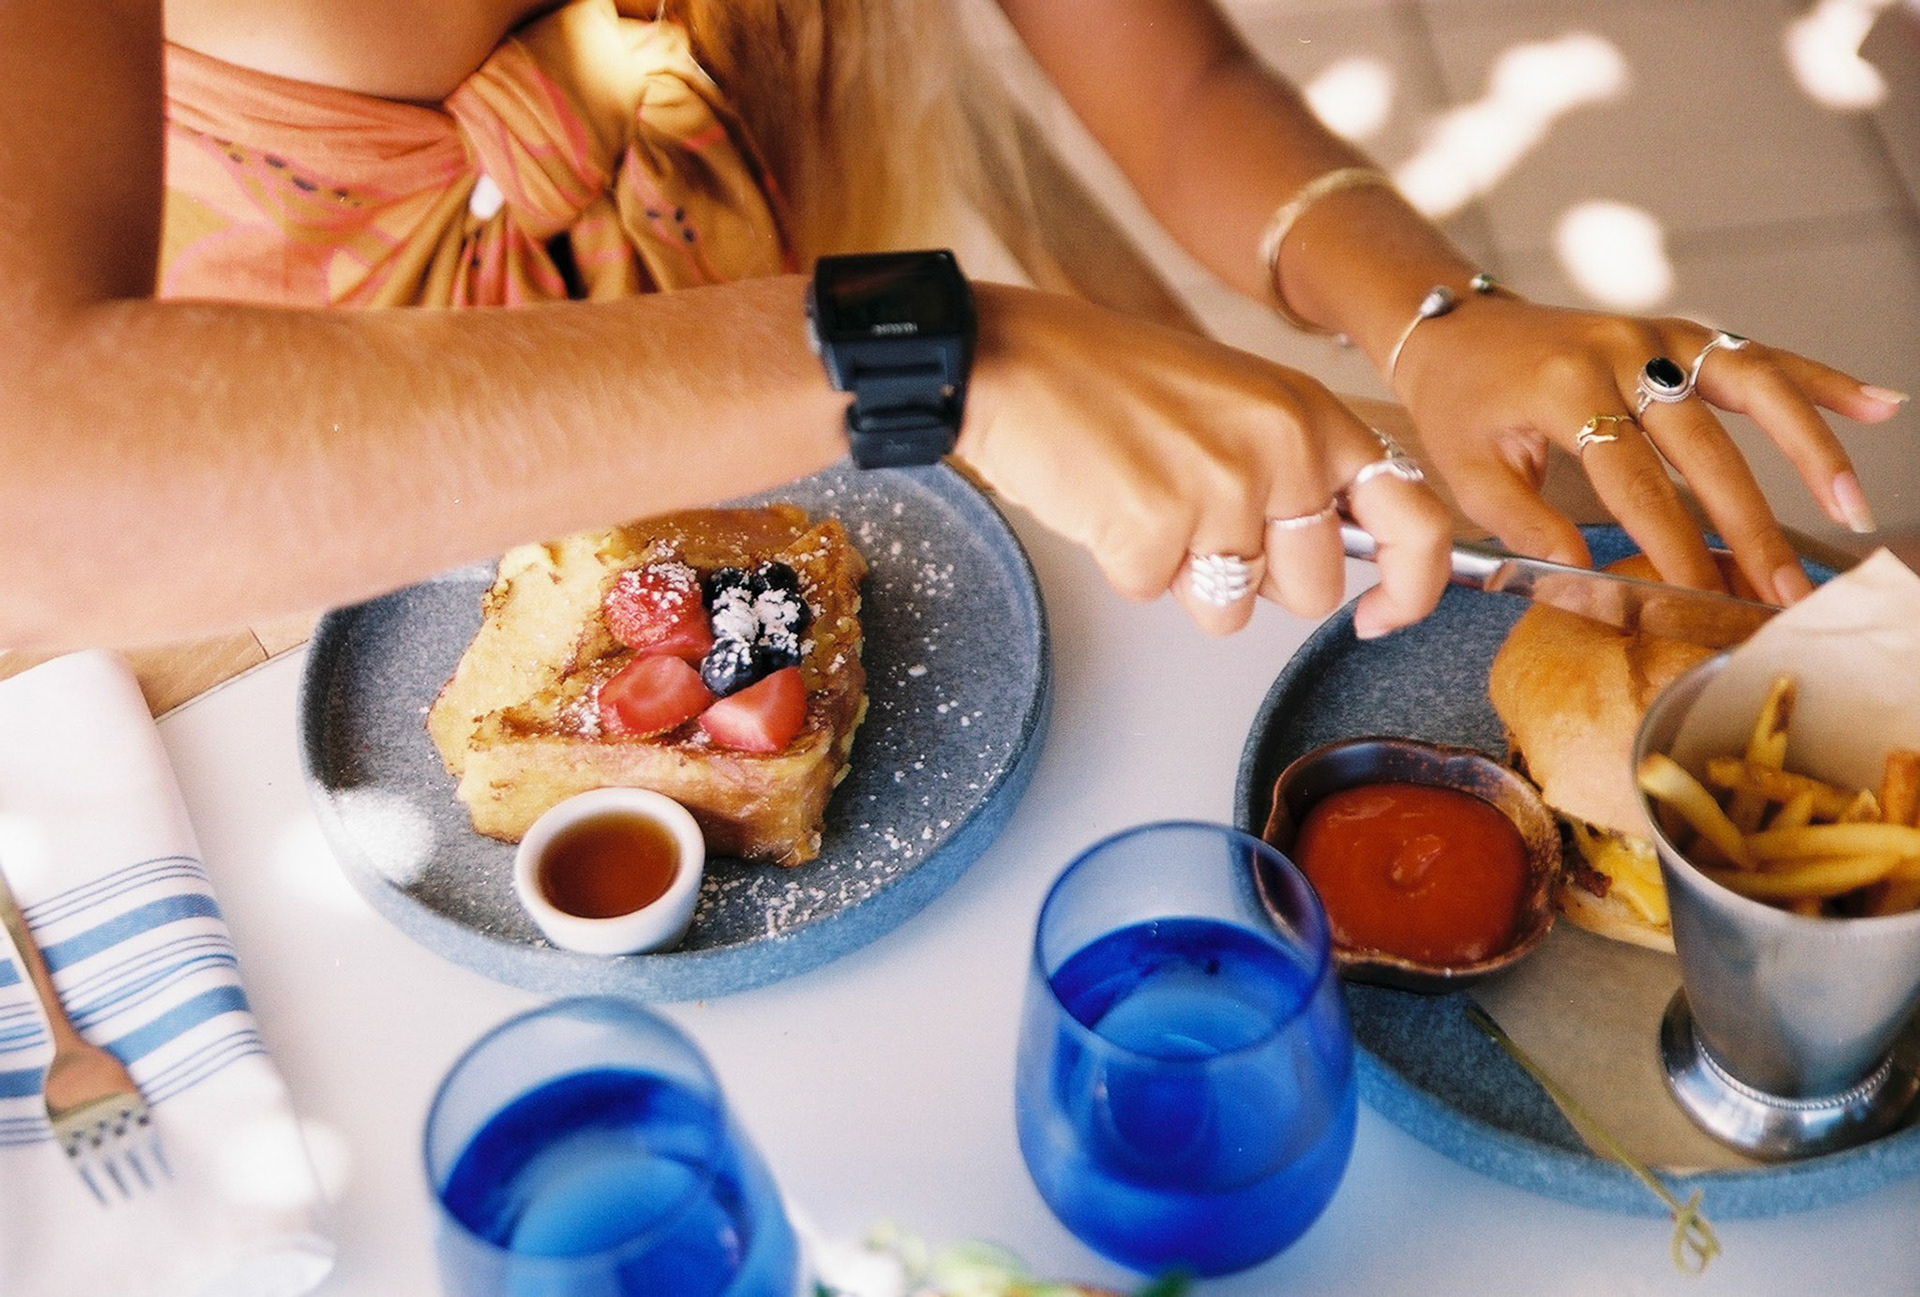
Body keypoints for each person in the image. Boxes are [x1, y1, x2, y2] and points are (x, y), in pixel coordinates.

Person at [0, 0, 1901, 656]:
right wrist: (921, 350)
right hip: (291, 568)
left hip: (884, 501)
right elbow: (37, 485)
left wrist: (1435, 313)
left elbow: (1175, 85)